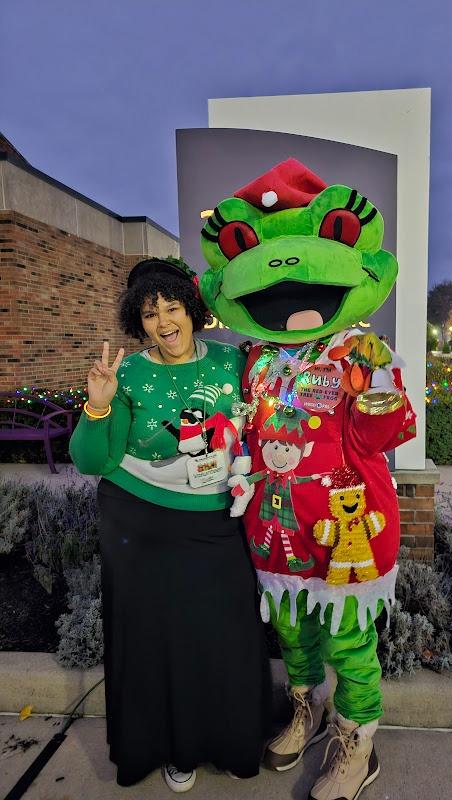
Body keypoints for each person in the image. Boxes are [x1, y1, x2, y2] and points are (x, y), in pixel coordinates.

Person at [200, 159, 416, 800]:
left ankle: (357, 745)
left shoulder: (362, 352)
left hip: (347, 525)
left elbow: (382, 436)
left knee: (349, 642)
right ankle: (306, 709)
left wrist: (374, 390)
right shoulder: (256, 360)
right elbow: (243, 427)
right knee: (293, 628)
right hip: (275, 528)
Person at [69, 258, 271, 792]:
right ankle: (171, 748)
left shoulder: (234, 361)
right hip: (143, 526)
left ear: (191, 309)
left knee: (224, 639)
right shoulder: (129, 373)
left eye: (172, 307)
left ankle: (228, 741)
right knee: (158, 646)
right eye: (150, 312)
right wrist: (98, 405)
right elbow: (93, 461)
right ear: (140, 321)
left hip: (216, 526)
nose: (163, 321)